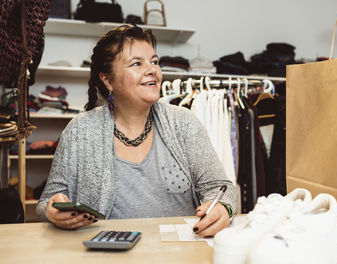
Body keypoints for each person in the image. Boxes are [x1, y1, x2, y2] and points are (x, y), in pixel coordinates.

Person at [36, 25, 237, 237]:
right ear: (108, 80)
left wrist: (225, 208)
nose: (152, 70)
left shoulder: (183, 123)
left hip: (178, 254)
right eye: (136, 63)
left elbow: (222, 188)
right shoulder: (80, 130)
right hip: (104, 255)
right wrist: (53, 212)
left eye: (154, 61)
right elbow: (45, 204)